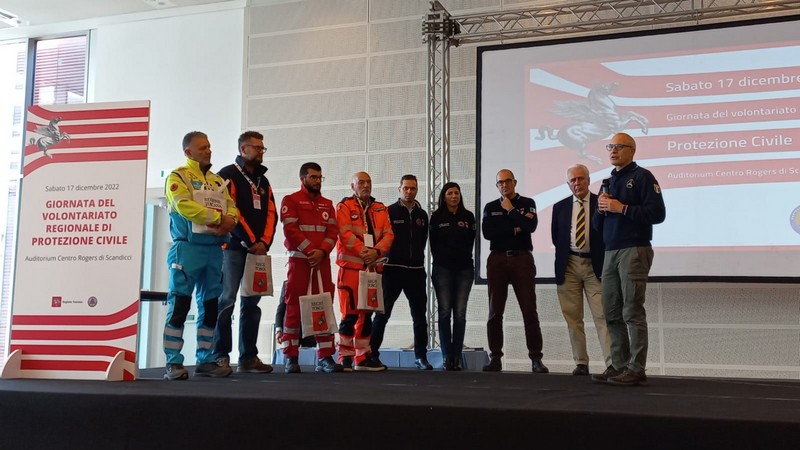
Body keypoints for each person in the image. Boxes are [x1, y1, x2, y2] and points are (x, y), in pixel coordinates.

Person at [591, 133, 666, 386]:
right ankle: (619, 365)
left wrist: (622, 208)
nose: (613, 151)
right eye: (610, 146)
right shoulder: (607, 181)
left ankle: (636, 368)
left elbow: (658, 213)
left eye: (618, 147)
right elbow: (597, 225)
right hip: (610, 251)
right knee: (611, 311)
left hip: (634, 248)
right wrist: (600, 209)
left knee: (632, 310)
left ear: (632, 150)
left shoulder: (643, 177)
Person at [163, 131, 238, 380]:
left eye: (209, 146)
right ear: (188, 152)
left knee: (210, 306)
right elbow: (183, 205)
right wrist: (218, 218)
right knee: (180, 305)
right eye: (202, 147)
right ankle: (173, 362)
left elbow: (232, 207)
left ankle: (205, 360)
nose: (208, 151)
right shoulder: (178, 177)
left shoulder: (218, 181)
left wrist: (231, 220)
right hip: (187, 249)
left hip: (214, 250)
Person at [211, 131, 277, 375]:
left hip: (257, 252)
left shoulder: (263, 181)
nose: (261, 152)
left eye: (262, 148)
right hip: (232, 249)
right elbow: (231, 211)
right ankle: (220, 356)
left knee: (252, 303)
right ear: (243, 149)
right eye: (257, 148)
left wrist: (264, 242)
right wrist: (251, 240)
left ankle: (248, 357)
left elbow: (271, 212)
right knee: (225, 301)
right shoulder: (227, 175)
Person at [481, 169, 548, 373]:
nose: (504, 185)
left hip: (522, 259)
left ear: (515, 182)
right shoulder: (490, 207)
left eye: (507, 181)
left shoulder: (528, 203)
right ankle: (495, 357)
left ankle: (536, 358)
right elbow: (488, 233)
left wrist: (511, 211)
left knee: (529, 309)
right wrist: (515, 228)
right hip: (497, 260)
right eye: (500, 182)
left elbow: (530, 226)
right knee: (495, 312)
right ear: (497, 185)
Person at [280, 162, 343, 374]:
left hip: (321, 263)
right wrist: (310, 251)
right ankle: (291, 356)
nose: (317, 181)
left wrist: (322, 252)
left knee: (323, 306)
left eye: (319, 177)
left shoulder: (327, 204)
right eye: (313, 177)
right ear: (303, 179)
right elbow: (291, 229)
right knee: (293, 308)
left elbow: (333, 232)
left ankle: (325, 357)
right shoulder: (291, 200)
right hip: (300, 262)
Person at [551, 164, 612, 376]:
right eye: (573, 180)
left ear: (588, 180)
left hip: (595, 266)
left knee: (603, 316)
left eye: (580, 179)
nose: (577, 183)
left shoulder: (600, 203)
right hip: (568, 266)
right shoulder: (559, 207)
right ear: (568, 184)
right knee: (573, 318)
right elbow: (556, 238)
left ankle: (612, 364)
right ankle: (581, 363)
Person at [370, 175, 431, 370]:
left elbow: (423, 241)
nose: (409, 191)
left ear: (417, 190)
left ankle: (421, 357)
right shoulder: (389, 212)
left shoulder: (422, 215)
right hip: (392, 270)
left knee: (420, 317)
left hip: (416, 271)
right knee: (382, 314)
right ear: (399, 189)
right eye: (406, 188)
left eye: (413, 188)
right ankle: (371, 354)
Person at [335, 171, 394, 371]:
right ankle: (345, 357)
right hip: (350, 269)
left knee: (367, 315)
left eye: (368, 182)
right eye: (361, 182)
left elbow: (389, 234)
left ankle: (362, 357)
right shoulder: (344, 206)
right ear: (352, 186)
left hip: (372, 269)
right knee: (349, 315)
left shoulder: (380, 208)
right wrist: (364, 252)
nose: (366, 185)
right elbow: (344, 233)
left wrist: (376, 252)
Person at [429, 182, 476, 371]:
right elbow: (433, 244)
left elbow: (471, 241)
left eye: (457, 193)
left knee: (460, 314)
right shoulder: (436, 217)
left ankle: (456, 356)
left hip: (464, 270)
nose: (454, 196)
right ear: (444, 196)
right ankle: (446, 356)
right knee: (444, 312)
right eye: (450, 193)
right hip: (443, 270)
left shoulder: (468, 216)